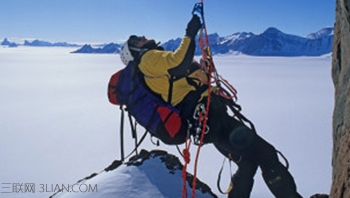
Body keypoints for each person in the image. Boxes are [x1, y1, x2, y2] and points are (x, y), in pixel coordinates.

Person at [119, 14, 303, 198]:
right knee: (267, 155)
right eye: (135, 40)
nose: (141, 37)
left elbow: (182, 75)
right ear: (133, 51)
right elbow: (179, 61)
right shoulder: (148, 58)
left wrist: (203, 69)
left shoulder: (151, 65)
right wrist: (189, 33)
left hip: (206, 122)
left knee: (248, 162)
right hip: (211, 118)